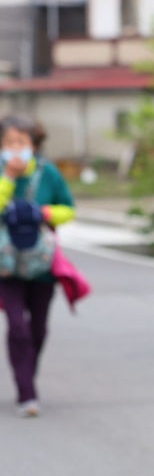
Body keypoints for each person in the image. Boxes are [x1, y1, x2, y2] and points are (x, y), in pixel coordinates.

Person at [0, 114, 77, 415]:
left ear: (34, 144)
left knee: (38, 329)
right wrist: (8, 177)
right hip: (6, 265)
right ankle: (26, 394)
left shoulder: (48, 173)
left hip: (41, 263)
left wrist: (43, 213)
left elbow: (68, 209)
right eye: (8, 142)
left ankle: (27, 375)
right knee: (17, 326)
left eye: (21, 141)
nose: (15, 148)